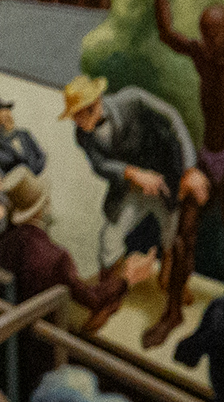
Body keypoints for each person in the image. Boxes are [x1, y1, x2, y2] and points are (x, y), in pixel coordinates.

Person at [65, 72, 203, 346]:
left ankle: (170, 277)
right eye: (75, 116)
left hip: (167, 180)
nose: (79, 123)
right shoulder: (82, 134)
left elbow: (173, 120)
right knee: (109, 239)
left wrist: (189, 169)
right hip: (130, 190)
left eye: (82, 114)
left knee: (171, 234)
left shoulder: (134, 99)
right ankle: (107, 300)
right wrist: (132, 173)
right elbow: (100, 165)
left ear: (96, 103)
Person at [0, 167, 144, 338]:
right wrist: (126, 279)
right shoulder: (56, 257)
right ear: (44, 205)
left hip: (14, 324)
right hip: (42, 334)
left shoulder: (3, 242)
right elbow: (93, 299)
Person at [0, 94, 47, 180]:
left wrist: (35, 174)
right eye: (5, 119)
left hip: (38, 184)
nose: (10, 120)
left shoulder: (24, 135)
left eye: (9, 116)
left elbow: (40, 155)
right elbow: (0, 177)